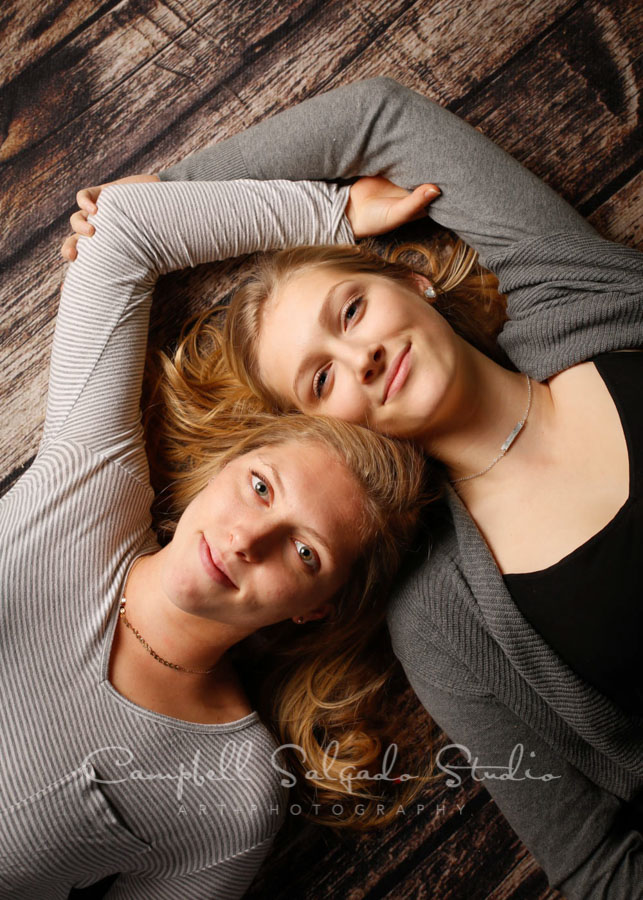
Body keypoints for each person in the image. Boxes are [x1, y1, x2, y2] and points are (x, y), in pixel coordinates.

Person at [63, 77, 643, 896]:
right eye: (321, 380)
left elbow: (380, 114)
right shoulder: (441, 615)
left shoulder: (576, 292)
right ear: (338, 435)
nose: (359, 356)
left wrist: (172, 191)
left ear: (411, 284)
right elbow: (591, 862)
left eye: (350, 312)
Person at [0, 174, 433, 899]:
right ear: (224, 467)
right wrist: (334, 212)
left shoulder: (232, 797)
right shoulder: (88, 495)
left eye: (303, 552)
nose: (246, 540)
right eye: (261, 487)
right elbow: (127, 230)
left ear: (315, 606)